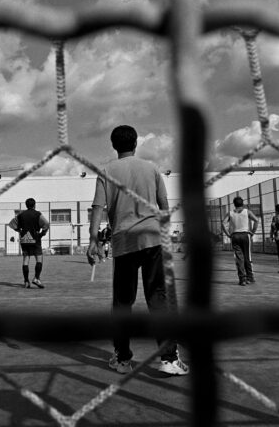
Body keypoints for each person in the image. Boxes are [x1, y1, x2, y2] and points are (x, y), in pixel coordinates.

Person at [87, 125, 188, 376]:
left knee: (123, 302)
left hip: (124, 242)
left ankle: (122, 358)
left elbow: (98, 207)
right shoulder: (152, 168)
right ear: (136, 143)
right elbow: (164, 205)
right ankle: (169, 358)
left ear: (113, 145)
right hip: (153, 239)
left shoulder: (107, 171)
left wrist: (93, 240)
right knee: (158, 298)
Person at [8, 198, 50, 288]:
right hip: (35, 239)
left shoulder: (21, 215)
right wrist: (42, 234)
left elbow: (11, 224)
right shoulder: (37, 214)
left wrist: (19, 230)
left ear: (26, 205)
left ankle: (26, 281)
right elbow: (46, 224)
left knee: (26, 259)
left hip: (24, 240)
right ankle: (36, 278)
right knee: (39, 259)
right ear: (34, 205)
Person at [222, 196, 259, 286]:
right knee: (247, 257)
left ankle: (242, 279)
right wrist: (252, 232)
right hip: (245, 235)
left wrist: (228, 234)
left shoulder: (230, 213)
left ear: (234, 204)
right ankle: (250, 277)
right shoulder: (247, 211)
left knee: (239, 258)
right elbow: (256, 220)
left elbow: (223, 223)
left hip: (235, 236)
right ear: (242, 203)